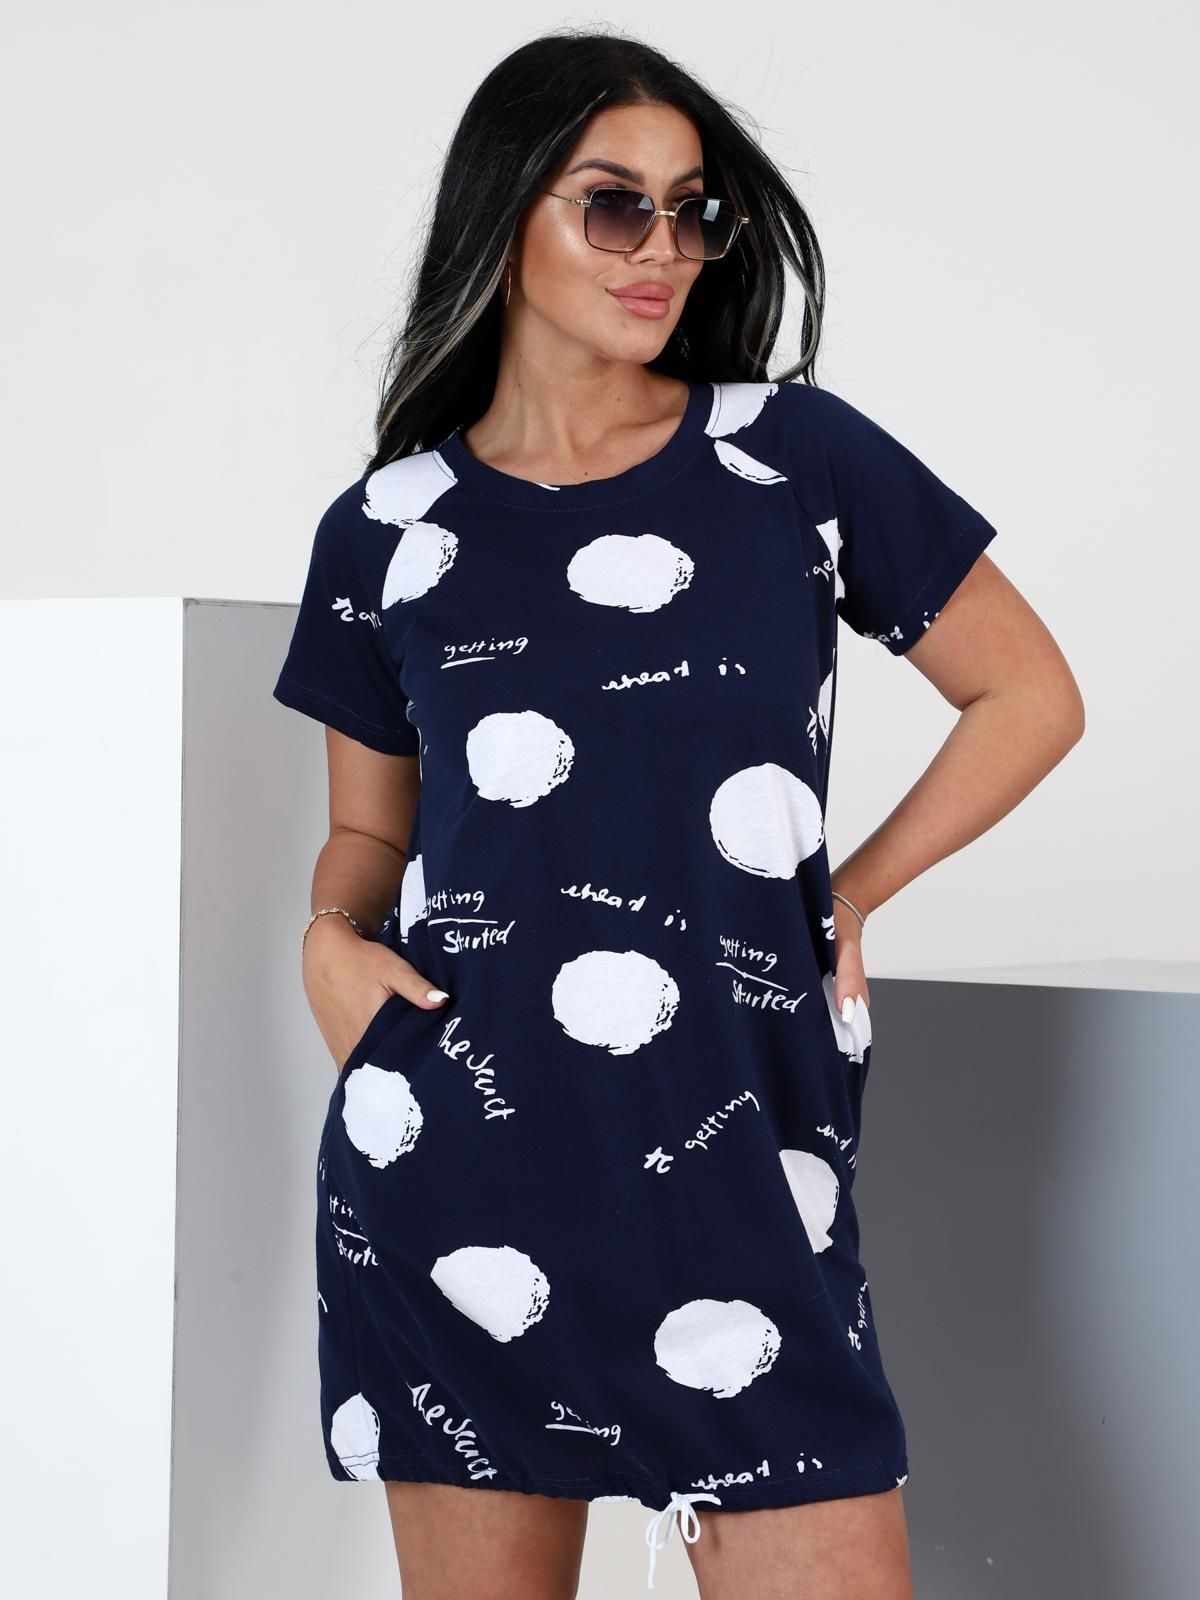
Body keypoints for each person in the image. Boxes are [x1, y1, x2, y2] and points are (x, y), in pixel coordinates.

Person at [272, 28, 1084, 1600]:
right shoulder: (386, 530)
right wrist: (328, 936)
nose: (663, 249)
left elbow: (1030, 694)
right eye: (613, 205)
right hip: (461, 1173)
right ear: (504, 214)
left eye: (692, 211)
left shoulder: (791, 460)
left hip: (741, 1158)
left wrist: (853, 893)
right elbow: (370, 833)